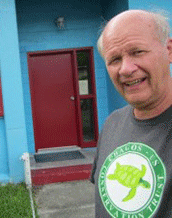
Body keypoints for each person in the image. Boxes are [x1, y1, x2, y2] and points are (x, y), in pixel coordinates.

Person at [90, 10, 172, 218]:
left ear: (169, 50)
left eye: (137, 52)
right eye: (114, 59)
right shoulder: (112, 124)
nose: (126, 69)